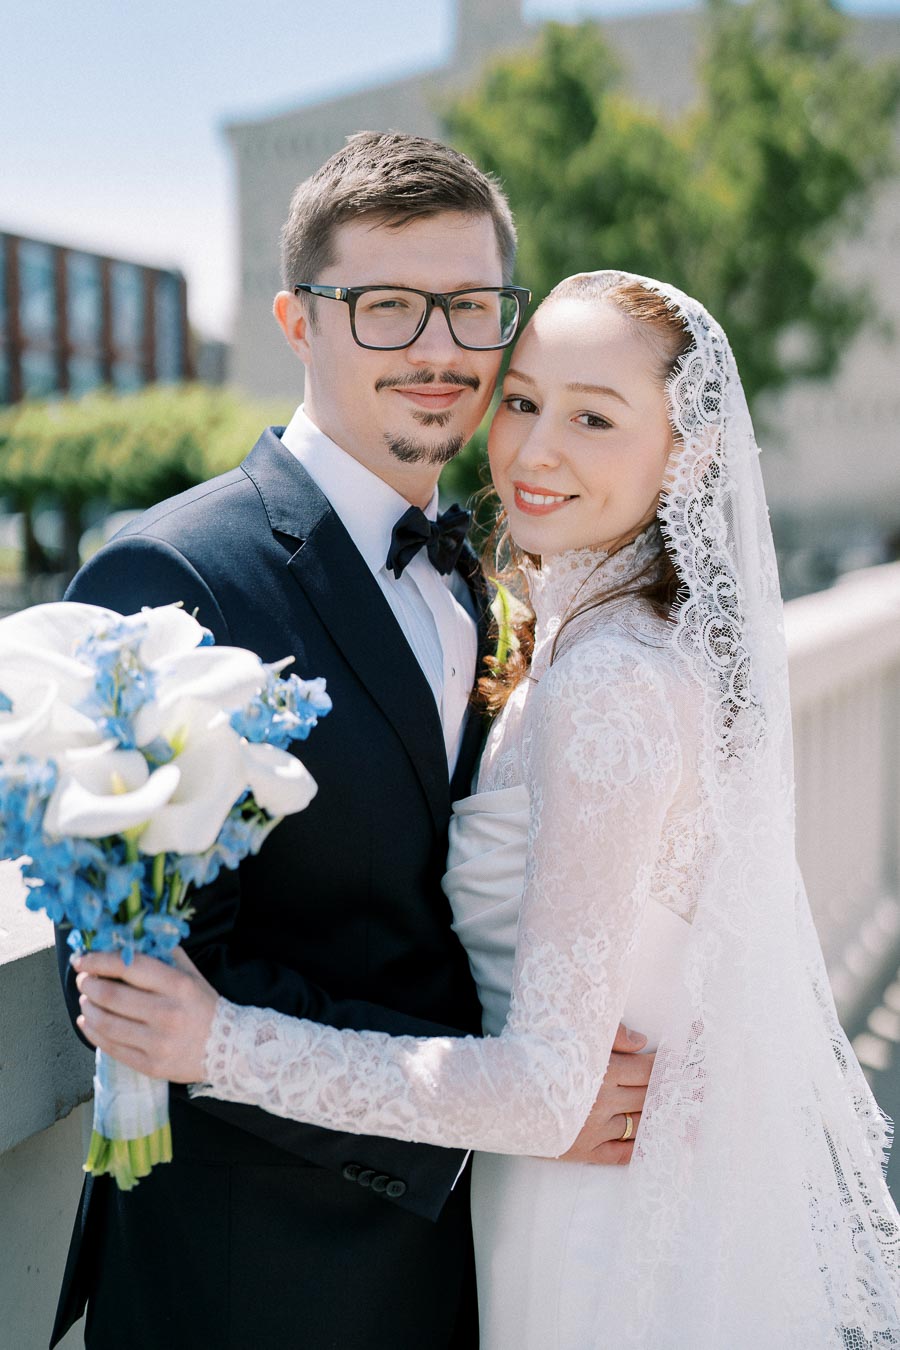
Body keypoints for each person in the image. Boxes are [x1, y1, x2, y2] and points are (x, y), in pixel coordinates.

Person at [77, 269, 900, 1347]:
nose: (533, 449)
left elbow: (546, 1095)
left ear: (688, 453)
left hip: (592, 1222)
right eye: (521, 401)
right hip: (553, 1196)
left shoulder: (615, 683)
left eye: (594, 417)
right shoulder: (571, 633)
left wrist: (219, 1039)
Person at [51, 139, 654, 1350]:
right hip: (256, 1277)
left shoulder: (491, 576)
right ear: (296, 320)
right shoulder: (170, 577)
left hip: (465, 1266)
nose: (439, 351)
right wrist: (507, 1108)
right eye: (386, 308)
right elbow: (138, 990)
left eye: (474, 309)